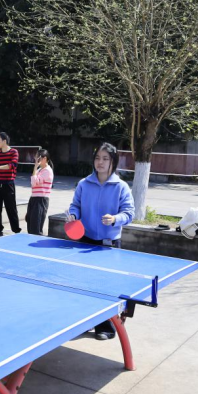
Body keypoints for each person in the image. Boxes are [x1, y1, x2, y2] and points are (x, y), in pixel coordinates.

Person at [68, 142, 135, 340]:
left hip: (109, 243)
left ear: (113, 161)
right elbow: (75, 205)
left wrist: (115, 219)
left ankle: (106, 326)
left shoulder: (121, 187)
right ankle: (85, 322)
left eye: (105, 158)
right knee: (84, 283)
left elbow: (129, 213)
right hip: (85, 240)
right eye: (97, 158)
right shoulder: (83, 184)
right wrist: (73, 215)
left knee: (106, 286)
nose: (100, 162)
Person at [0, 132, 21, 237]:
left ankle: (16, 230)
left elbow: (12, 165)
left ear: (4, 141)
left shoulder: (14, 152)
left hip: (8, 184)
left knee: (11, 207)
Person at [26, 149, 54, 235]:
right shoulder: (39, 170)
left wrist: (35, 167)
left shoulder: (48, 171)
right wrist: (35, 169)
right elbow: (33, 183)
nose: (36, 159)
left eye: (38, 157)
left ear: (44, 158)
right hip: (34, 198)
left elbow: (34, 182)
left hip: (41, 199)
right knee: (30, 222)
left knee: (36, 226)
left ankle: (36, 241)